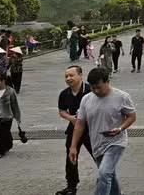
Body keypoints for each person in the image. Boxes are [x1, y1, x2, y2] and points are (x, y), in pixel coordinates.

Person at [69, 68, 137, 195]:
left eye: (99, 87)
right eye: (93, 88)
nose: (95, 91)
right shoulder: (86, 99)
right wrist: (73, 147)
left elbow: (132, 117)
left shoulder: (122, 97)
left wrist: (120, 128)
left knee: (104, 174)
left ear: (107, 81)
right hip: (97, 143)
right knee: (109, 174)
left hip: (116, 142)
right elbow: (79, 124)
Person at [56, 66, 93, 195]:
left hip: (91, 129)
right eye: (66, 76)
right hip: (74, 128)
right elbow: (61, 111)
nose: (68, 78)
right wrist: (71, 118)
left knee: (98, 155)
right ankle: (71, 186)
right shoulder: (64, 94)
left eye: (71, 75)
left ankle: (109, 180)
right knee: (71, 156)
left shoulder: (90, 90)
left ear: (80, 75)